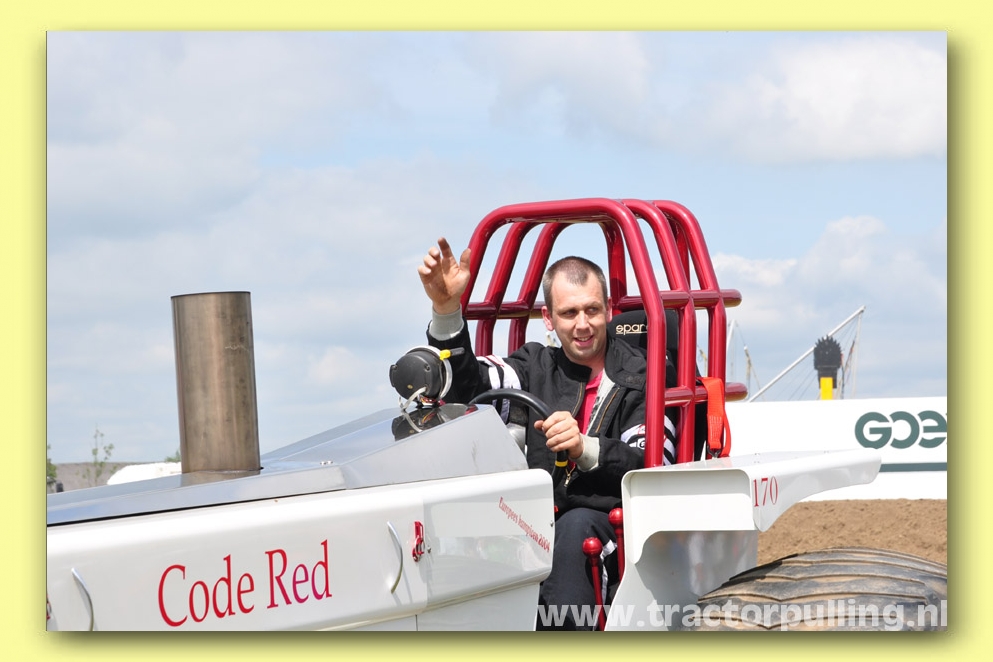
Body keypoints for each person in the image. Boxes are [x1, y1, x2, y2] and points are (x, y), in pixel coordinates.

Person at [418, 237, 677, 630]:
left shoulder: (645, 373)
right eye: (569, 312)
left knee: (573, 531)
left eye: (592, 309)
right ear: (548, 318)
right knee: (458, 532)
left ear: (609, 309)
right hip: (535, 521)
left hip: (616, 524)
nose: (583, 324)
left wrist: (584, 447)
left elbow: (651, 466)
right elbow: (467, 389)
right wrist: (446, 309)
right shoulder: (533, 365)